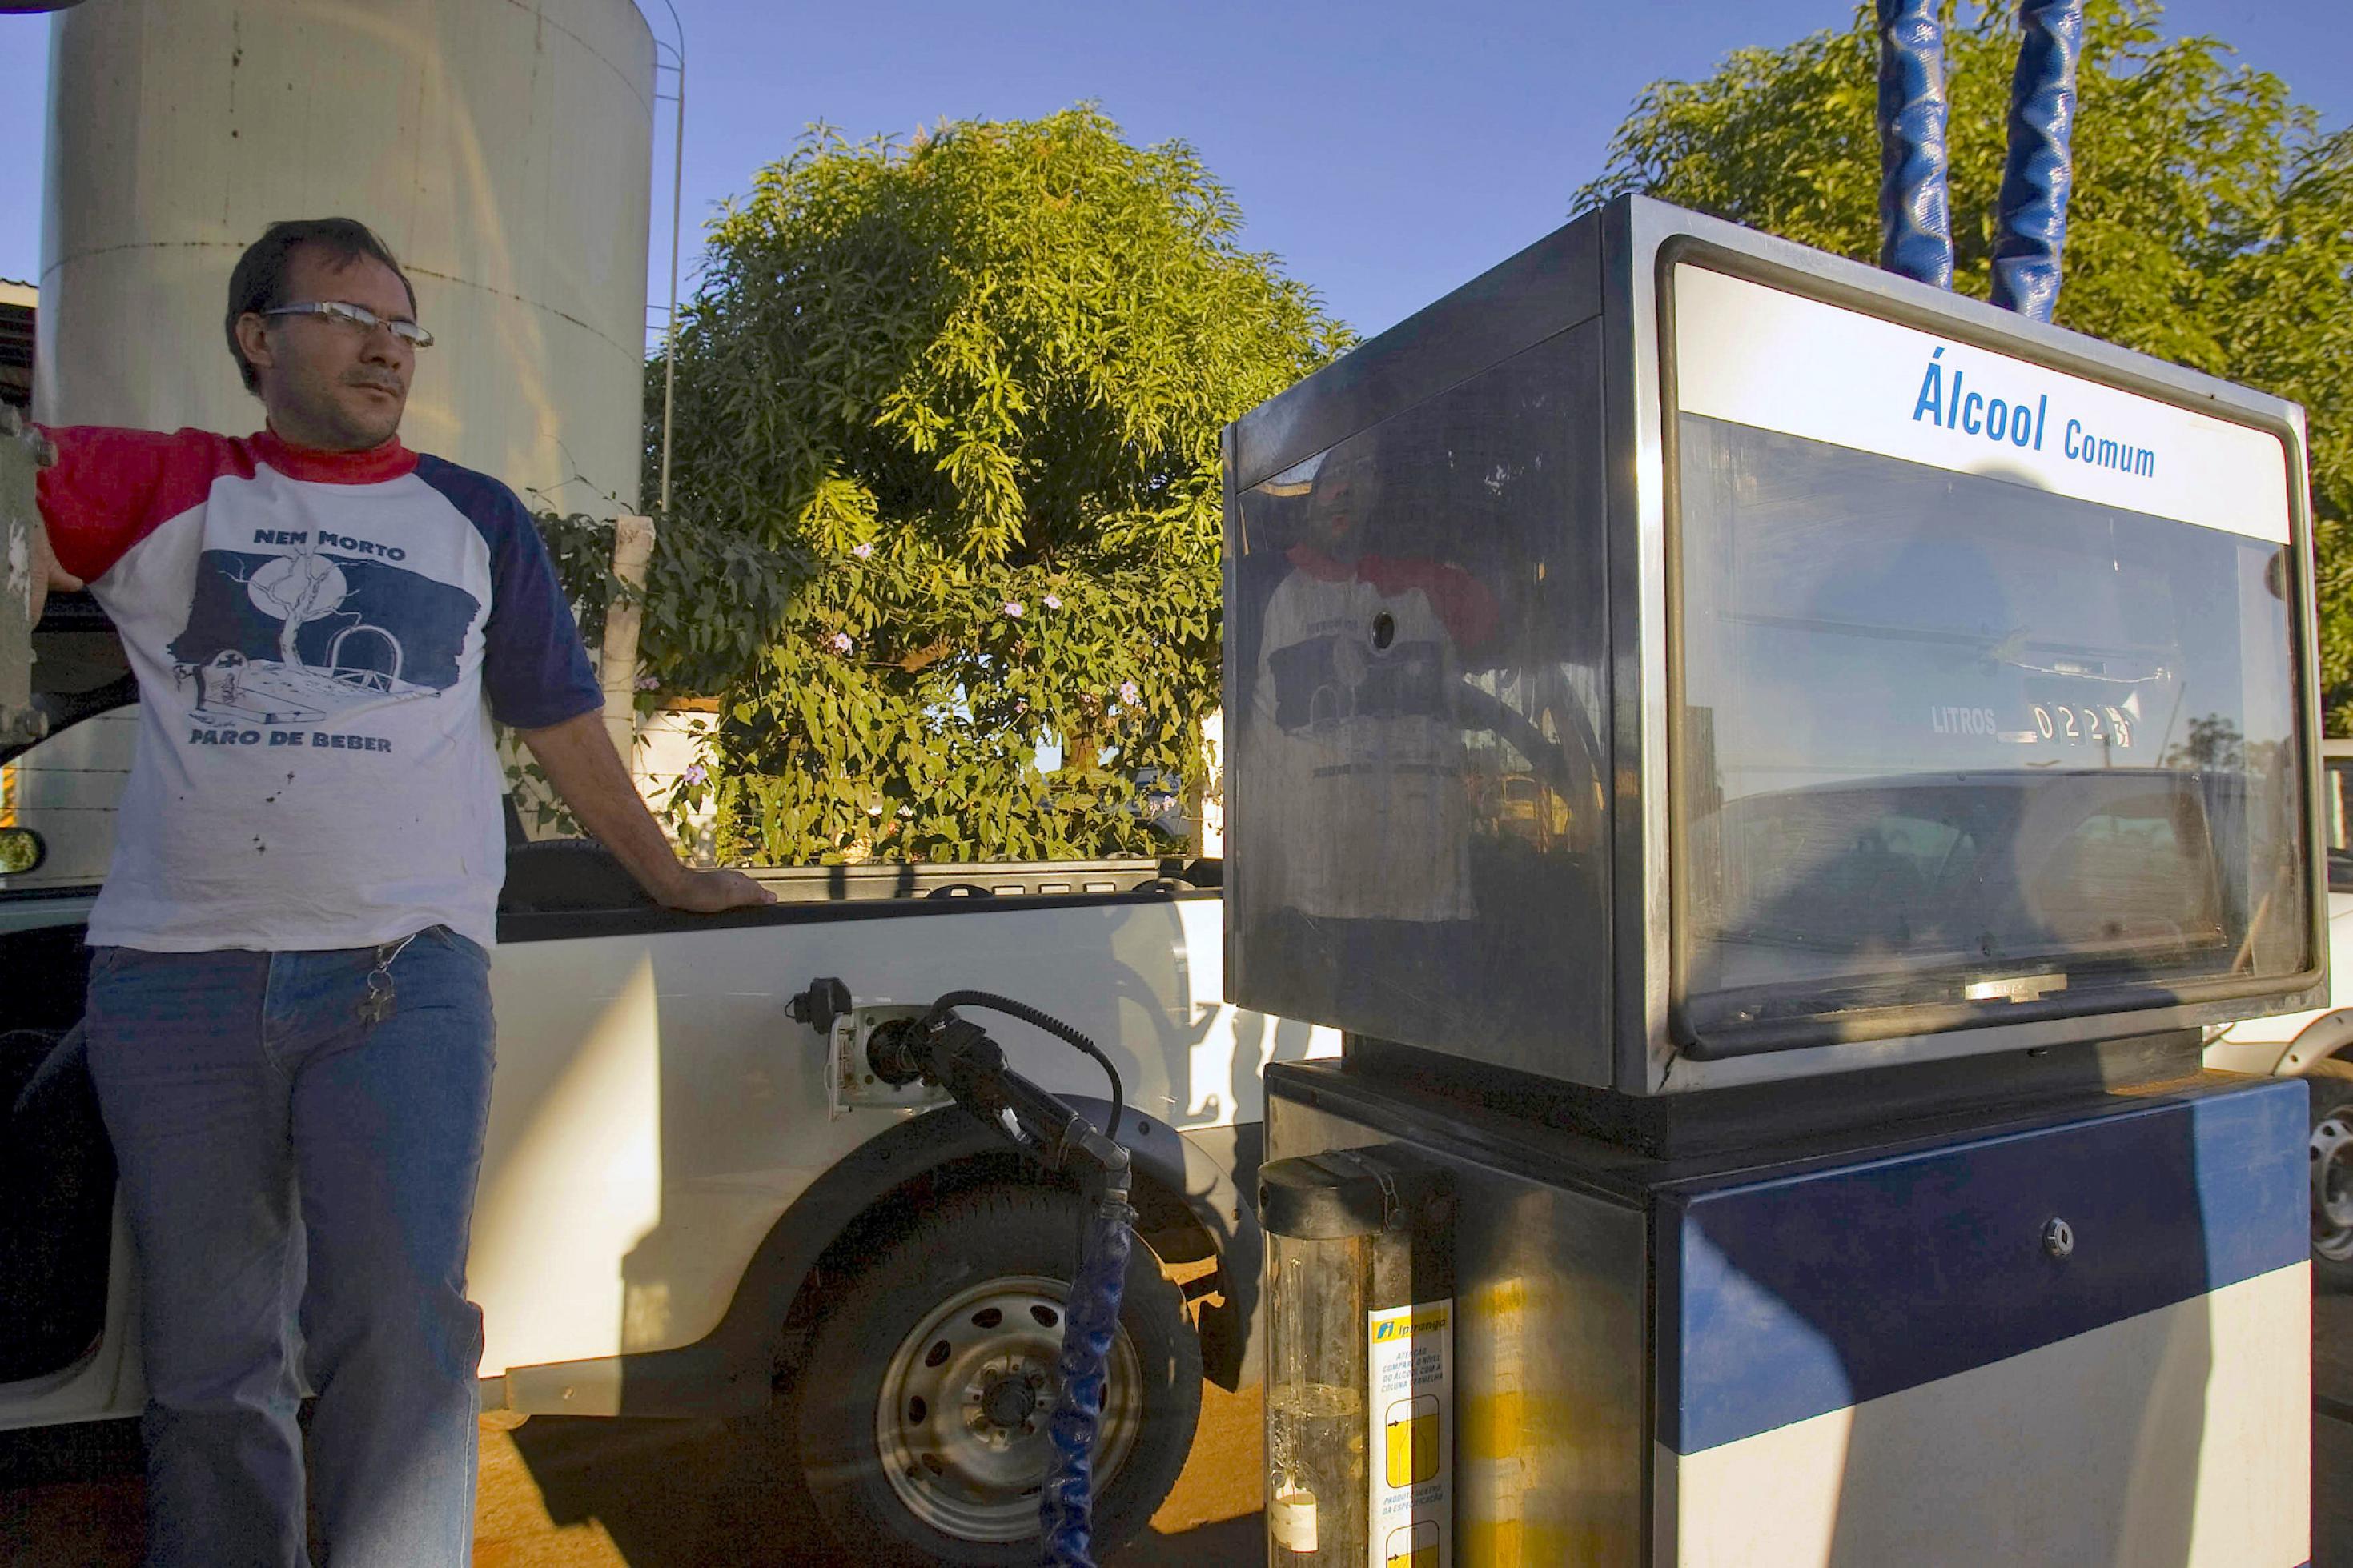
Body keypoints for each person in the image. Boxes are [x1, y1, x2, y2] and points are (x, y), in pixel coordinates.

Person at [28, 216, 775, 1567]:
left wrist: (668, 874)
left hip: (399, 982)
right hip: (175, 982)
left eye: (407, 327)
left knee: (403, 1333)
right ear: (259, 340)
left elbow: (560, 719)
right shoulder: (166, 488)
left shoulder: (474, 515)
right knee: (208, 1360)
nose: (389, 348)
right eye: (348, 316)